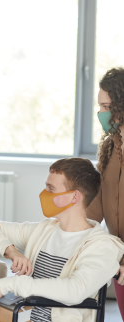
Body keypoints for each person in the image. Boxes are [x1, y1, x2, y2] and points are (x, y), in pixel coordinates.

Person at [0, 157, 124, 322]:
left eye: (51, 189)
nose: (43, 194)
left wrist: (9, 284)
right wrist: (12, 251)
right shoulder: (43, 230)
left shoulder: (103, 246)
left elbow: (75, 290)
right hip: (20, 316)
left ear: (74, 197)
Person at [86, 67, 124, 319]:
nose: (101, 113)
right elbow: (96, 206)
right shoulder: (111, 148)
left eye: (106, 106)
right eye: (100, 106)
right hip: (119, 256)